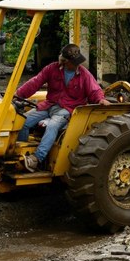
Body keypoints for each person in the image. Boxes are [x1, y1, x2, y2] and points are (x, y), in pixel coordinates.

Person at [15, 43, 109, 171]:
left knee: (53, 125)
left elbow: (94, 90)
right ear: (64, 61)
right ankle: (20, 153)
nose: (76, 64)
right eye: (73, 62)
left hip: (68, 109)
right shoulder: (51, 69)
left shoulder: (84, 74)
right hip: (49, 105)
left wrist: (101, 100)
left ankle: (36, 159)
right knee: (23, 121)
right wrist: (18, 94)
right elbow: (35, 82)